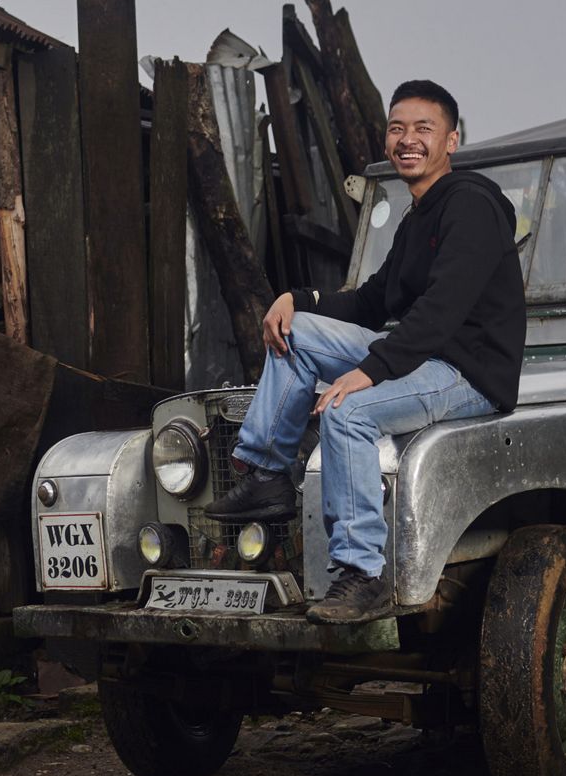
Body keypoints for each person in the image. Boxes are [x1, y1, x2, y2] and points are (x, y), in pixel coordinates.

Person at [206, 80, 525, 625]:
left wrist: (369, 373)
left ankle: (362, 575)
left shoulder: (470, 205)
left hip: (468, 371)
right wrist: (297, 298)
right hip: (427, 356)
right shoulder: (417, 216)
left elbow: (443, 310)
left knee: (346, 410)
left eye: (423, 128)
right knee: (297, 331)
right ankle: (267, 475)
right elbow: (375, 301)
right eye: (397, 128)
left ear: (450, 140)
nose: (407, 139)